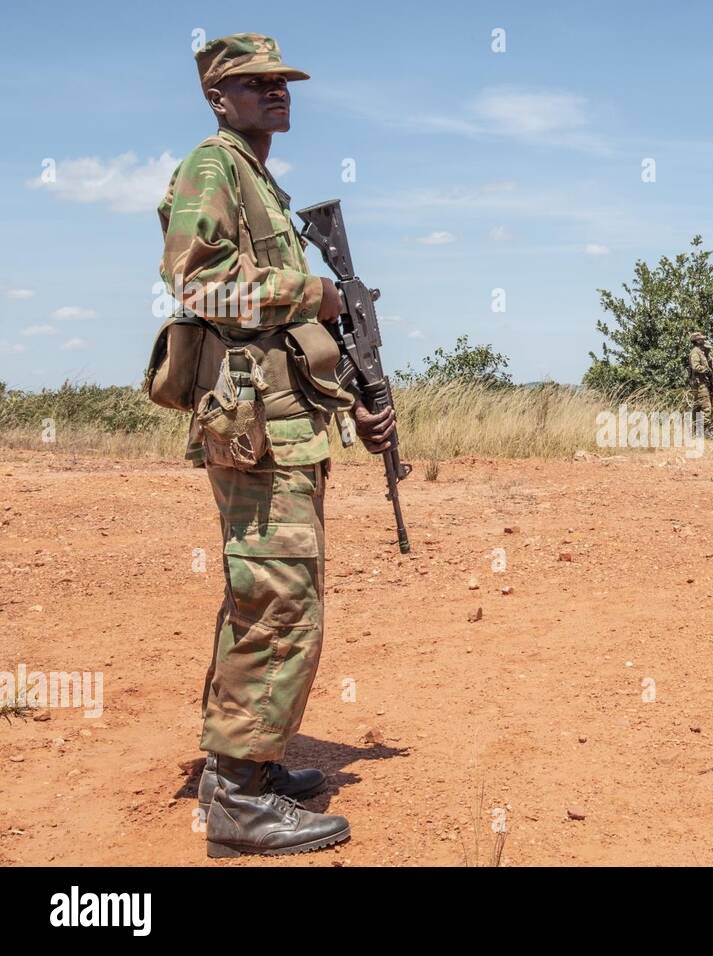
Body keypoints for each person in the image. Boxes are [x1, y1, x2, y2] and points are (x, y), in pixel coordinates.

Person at [158, 33, 395, 857]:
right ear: (219, 98)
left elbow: (286, 344)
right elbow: (198, 283)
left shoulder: (259, 181)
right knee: (279, 602)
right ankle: (235, 800)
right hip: (254, 434)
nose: (275, 92)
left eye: (281, 82)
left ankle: (250, 767)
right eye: (254, 85)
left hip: (283, 426)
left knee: (265, 594)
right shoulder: (212, 167)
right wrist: (315, 291)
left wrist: (357, 405)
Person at [687, 332, 713, 438]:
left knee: (697, 408)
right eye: (700, 339)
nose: (703, 340)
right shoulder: (695, 352)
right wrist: (706, 370)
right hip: (699, 384)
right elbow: (695, 366)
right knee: (706, 408)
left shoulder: (700, 352)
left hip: (700, 383)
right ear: (696, 340)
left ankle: (696, 432)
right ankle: (705, 431)